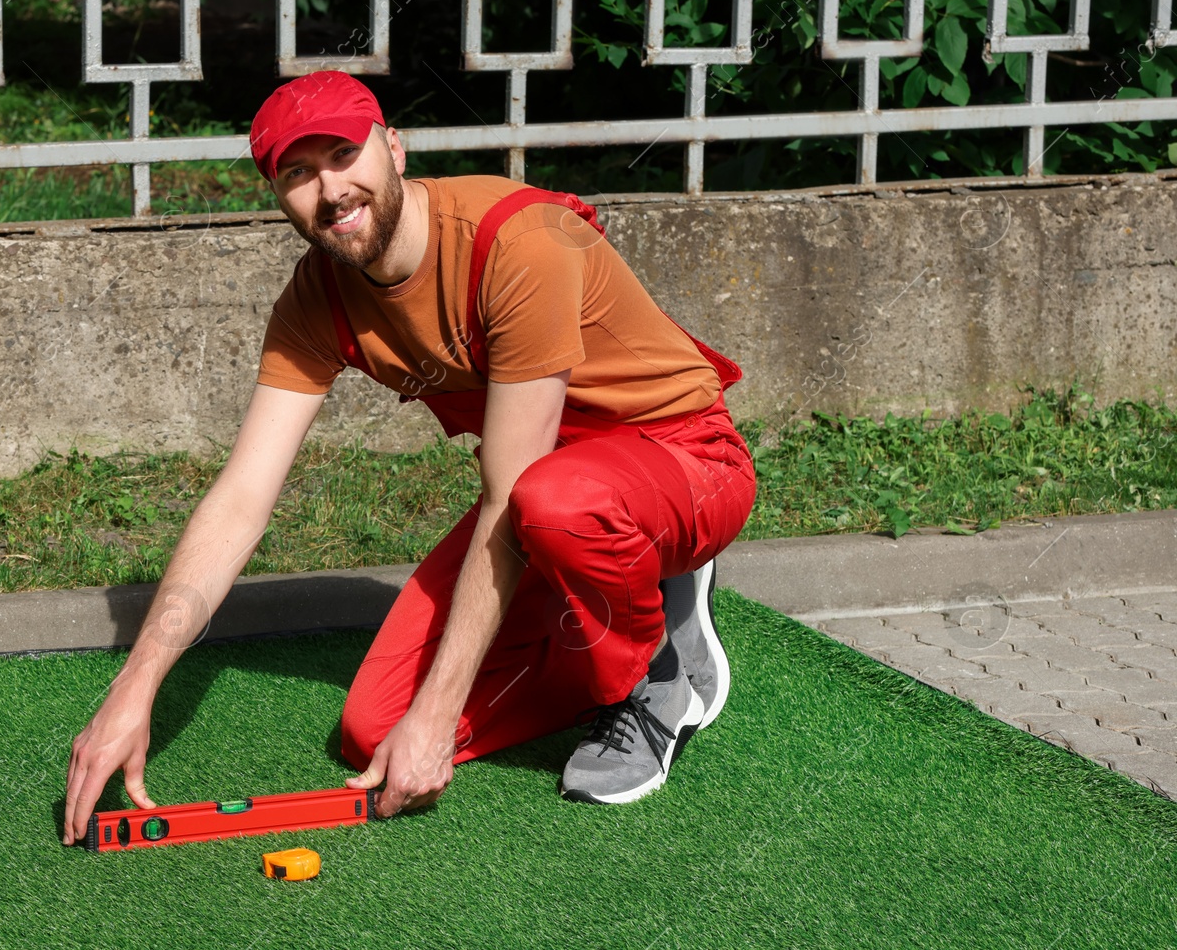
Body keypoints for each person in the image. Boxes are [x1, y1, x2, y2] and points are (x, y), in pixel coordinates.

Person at [61, 71, 755, 844]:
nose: (329, 189)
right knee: (373, 727)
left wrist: (438, 716)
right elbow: (241, 497)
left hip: (683, 457)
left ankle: (656, 676)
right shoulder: (317, 298)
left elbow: (509, 494)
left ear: (394, 147)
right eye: (297, 172)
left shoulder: (516, 242)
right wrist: (135, 685)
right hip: (548, 493)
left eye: (342, 153)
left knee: (552, 508)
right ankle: (614, 591)